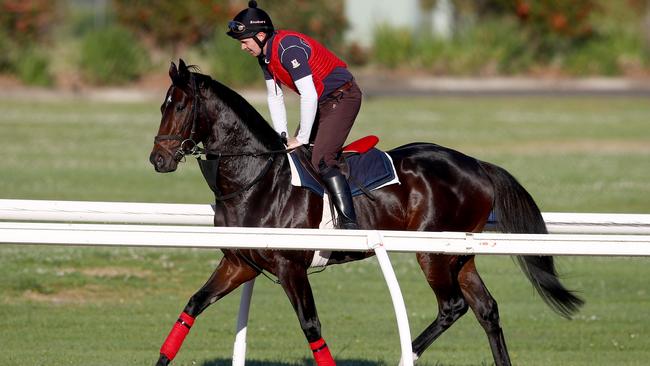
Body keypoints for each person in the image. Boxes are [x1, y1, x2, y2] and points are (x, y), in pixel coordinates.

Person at [227, 0, 362, 230]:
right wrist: (282, 135)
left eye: (245, 42)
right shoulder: (265, 57)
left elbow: (308, 94)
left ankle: (350, 224)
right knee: (297, 156)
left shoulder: (288, 48)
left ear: (260, 35)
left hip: (343, 97)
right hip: (323, 101)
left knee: (321, 159)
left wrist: (300, 138)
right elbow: (274, 96)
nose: (243, 48)